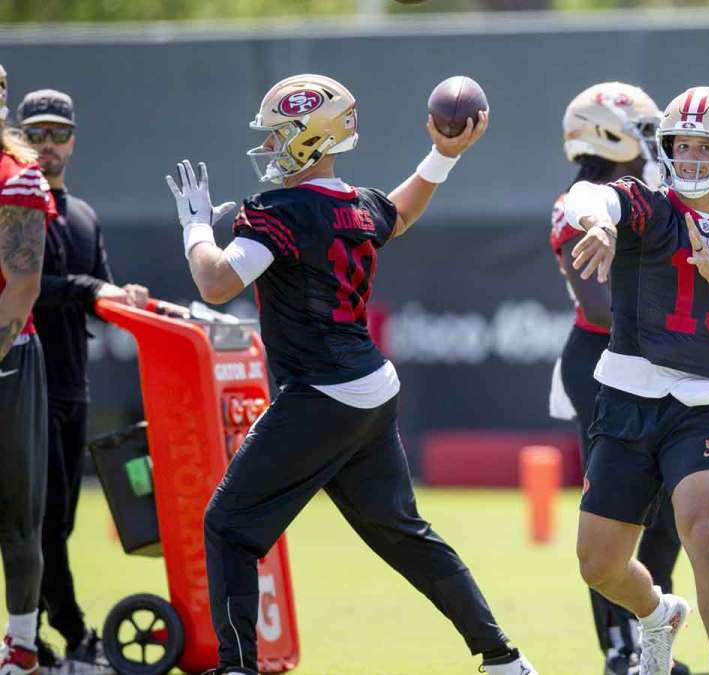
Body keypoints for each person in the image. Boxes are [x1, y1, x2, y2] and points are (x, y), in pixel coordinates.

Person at [163, 73, 536, 675]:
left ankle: (237, 668)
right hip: (369, 388)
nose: (269, 146)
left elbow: (216, 281)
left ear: (309, 137)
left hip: (322, 393)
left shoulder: (277, 210)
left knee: (229, 525)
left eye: (281, 133)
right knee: (401, 534)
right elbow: (403, 211)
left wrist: (196, 227)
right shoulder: (356, 203)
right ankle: (504, 659)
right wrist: (443, 156)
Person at [567, 86, 709, 675]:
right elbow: (590, 195)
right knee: (599, 564)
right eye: (680, 146)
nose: (688, 157)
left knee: (707, 526)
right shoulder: (648, 207)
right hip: (627, 396)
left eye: (703, 146)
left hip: (702, 404)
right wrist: (599, 225)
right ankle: (659, 613)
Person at [550, 81, 691, 675]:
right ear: (609, 133)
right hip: (606, 362)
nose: (654, 142)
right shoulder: (579, 203)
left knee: (669, 514)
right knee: (614, 512)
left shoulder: (657, 193)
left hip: (661, 361)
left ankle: (651, 641)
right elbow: (605, 306)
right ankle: (620, 649)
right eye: (643, 129)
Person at [18, 88, 147, 674]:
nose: (46, 147)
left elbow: (103, 293)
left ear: (72, 139)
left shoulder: (84, 215)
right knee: (38, 521)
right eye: (35, 135)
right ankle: (68, 634)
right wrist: (90, 290)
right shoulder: (14, 208)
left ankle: (36, 636)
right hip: (23, 385)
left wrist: (136, 304)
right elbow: (26, 289)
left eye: (56, 135)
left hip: (72, 387)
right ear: (19, 139)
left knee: (59, 522)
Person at [0, 63, 53, 675]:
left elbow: (22, 284)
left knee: (16, 515)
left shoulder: (16, 177)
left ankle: (21, 648)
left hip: (9, 357)